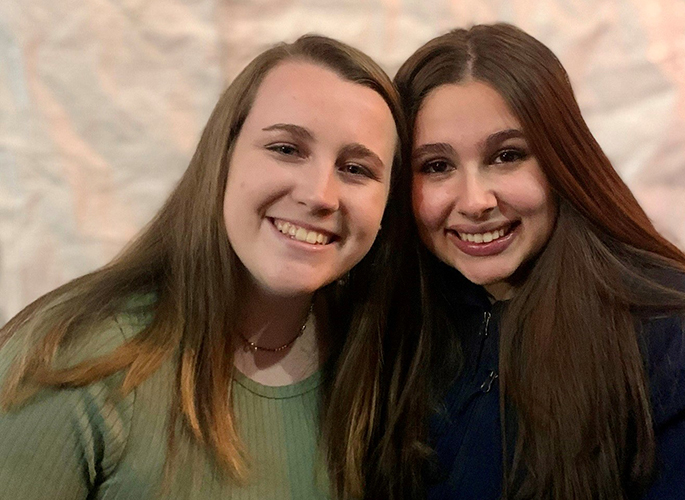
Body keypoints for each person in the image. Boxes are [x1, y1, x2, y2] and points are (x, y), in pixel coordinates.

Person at [0, 35, 407, 499]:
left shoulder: (376, 370)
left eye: (356, 169)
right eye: (286, 149)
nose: (318, 195)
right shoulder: (69, 357)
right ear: (223, 157)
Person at [386, 23, 685, 500]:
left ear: (563, 159)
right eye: (436, 166)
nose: (475, 200)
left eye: (507, 156)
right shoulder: (399, 319)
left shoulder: (683, 346)